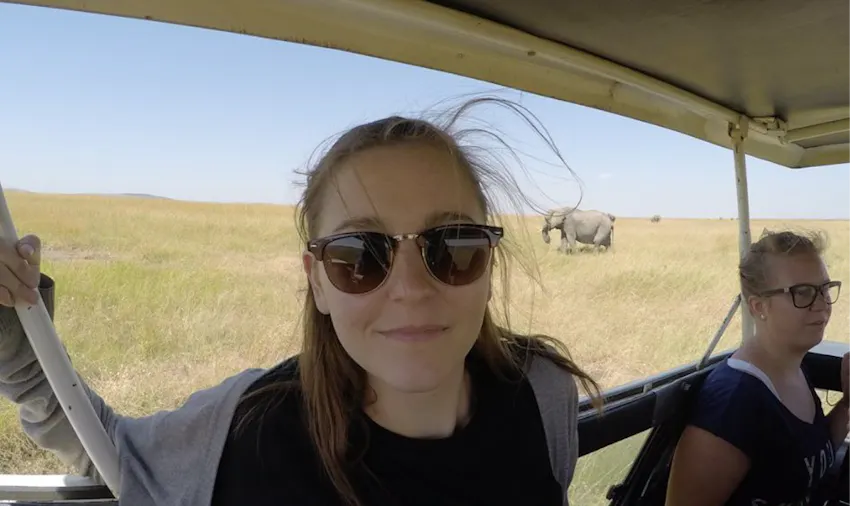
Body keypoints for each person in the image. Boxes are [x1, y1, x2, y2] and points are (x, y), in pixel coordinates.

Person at [0, 97, 601, 506]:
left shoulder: (542, 393)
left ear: (489, 263)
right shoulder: (246, 428)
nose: (412, 288)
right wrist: (11, 320)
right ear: (316, 279)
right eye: (359, 254)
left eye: (455, 244)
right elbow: (100, 444)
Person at [666, 229, 849, 506]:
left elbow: (812, 458)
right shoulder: (734, 403)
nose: (822, 303)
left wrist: (847, 404)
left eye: (825, 288)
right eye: (802, 292)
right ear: (758, 306)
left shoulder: (793, 368)